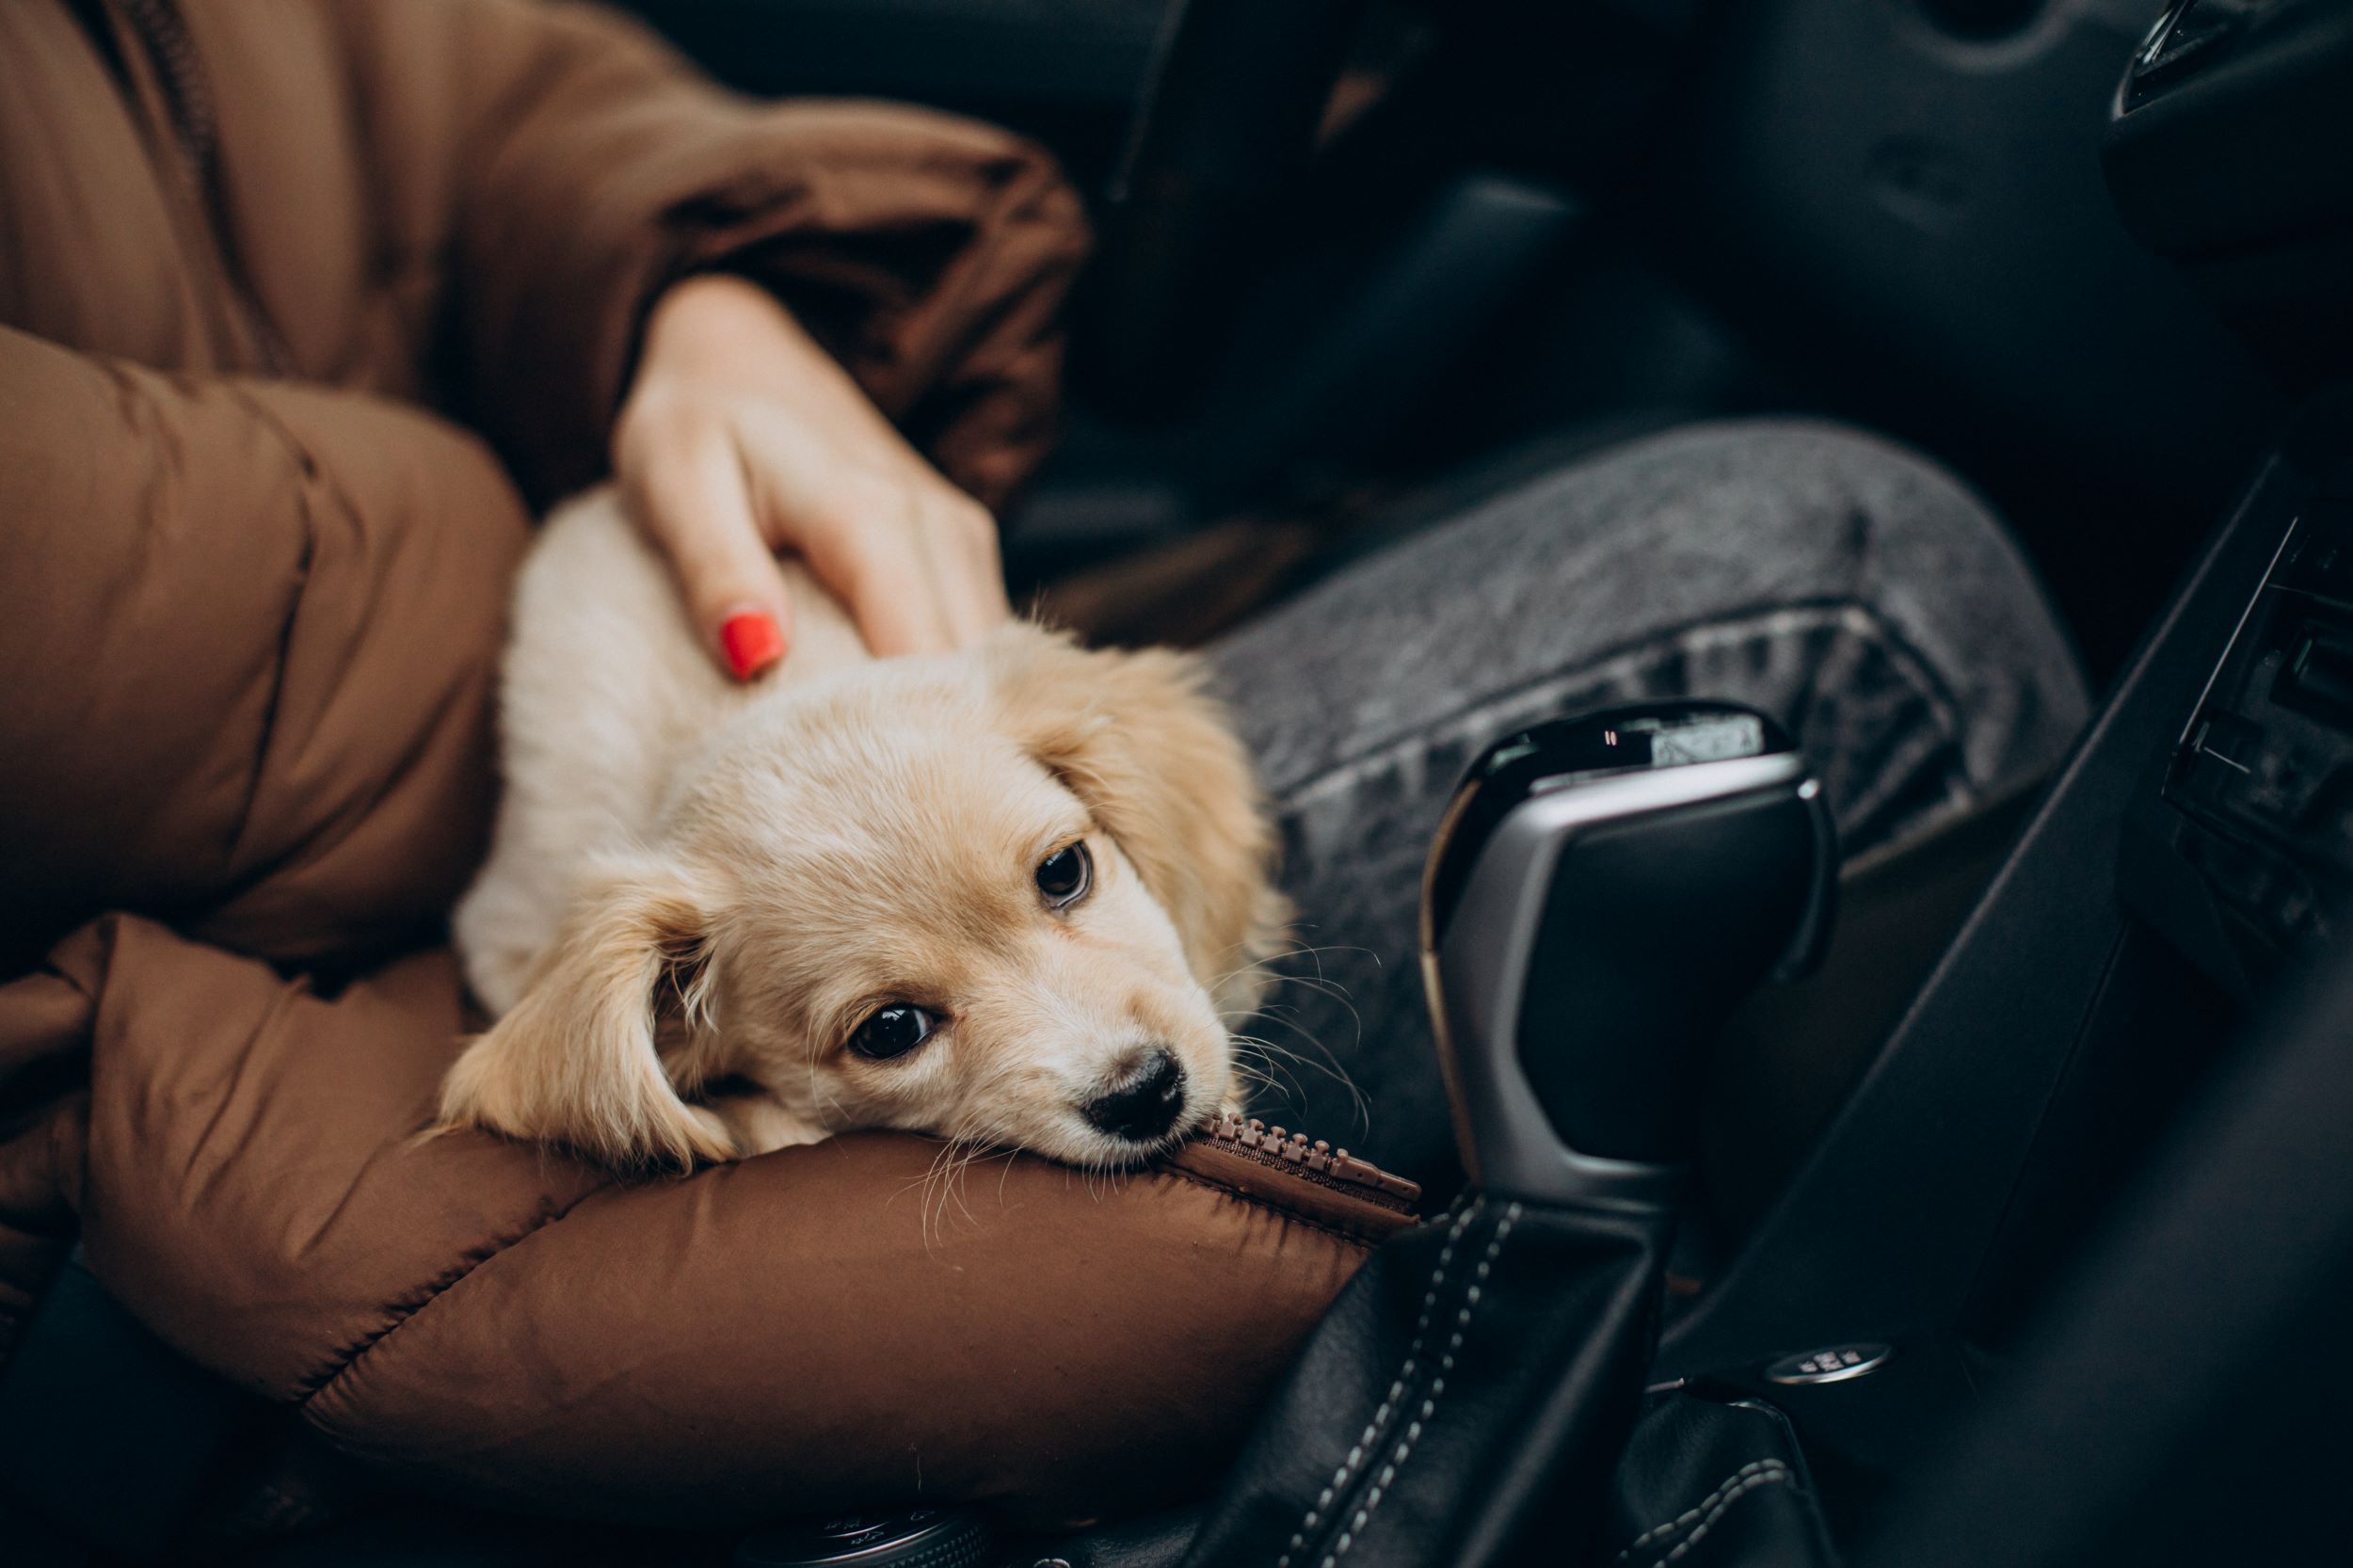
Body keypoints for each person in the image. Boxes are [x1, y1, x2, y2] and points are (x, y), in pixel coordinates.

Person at [0, 0, 2085, 1371]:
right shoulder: (626, 982)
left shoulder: (1079, 761)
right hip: (297, 968)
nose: (1120, 1055)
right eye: (896, 1028)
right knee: (1842, 580)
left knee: (1607, 477)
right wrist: (528, 503)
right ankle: (1981, 1382)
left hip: (640, 584)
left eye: (1072, 878)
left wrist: (694, 291)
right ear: (675, 1056)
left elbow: (475, 81)